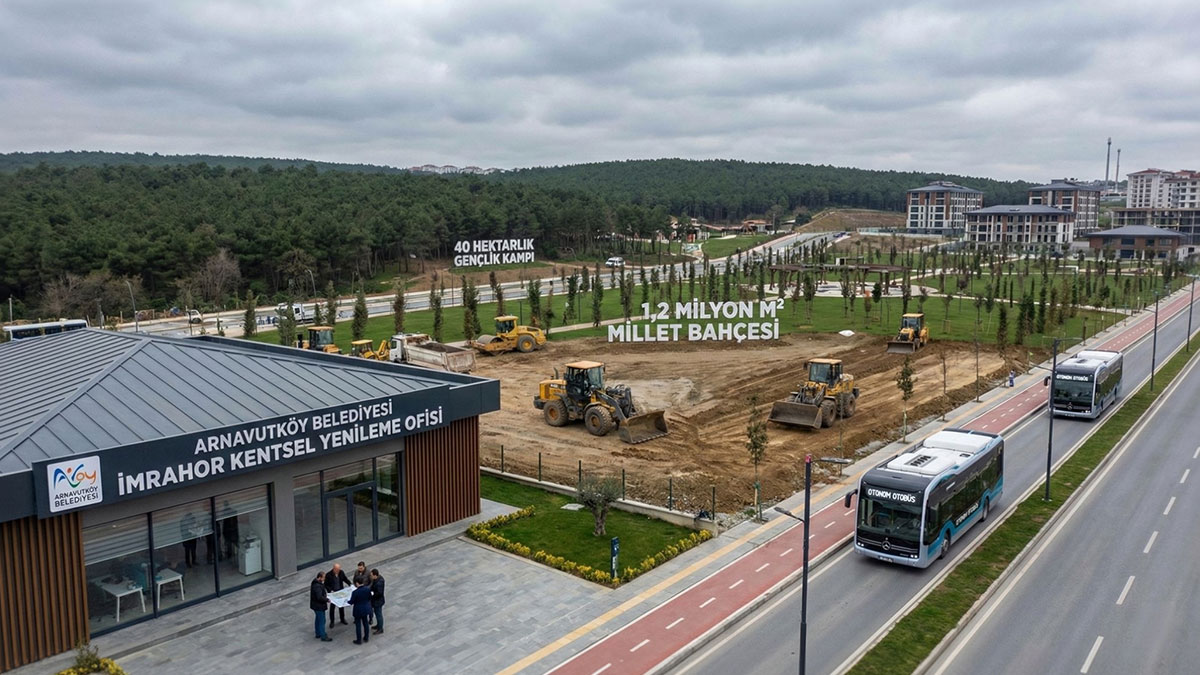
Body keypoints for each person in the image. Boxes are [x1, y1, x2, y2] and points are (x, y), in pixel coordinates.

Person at [310, 572, 332, 641]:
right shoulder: (317, 586)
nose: (324, 579)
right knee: (322, 620)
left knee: (318, 619)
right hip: (319, 606)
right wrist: (327, 599)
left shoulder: (316, 583)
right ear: (320, 577)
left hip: (316, 605)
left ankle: (318, 633)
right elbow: (319, 597)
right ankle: (323, 636)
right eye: (324, 577)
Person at [350, 578, 373, 645]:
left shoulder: (355, 592)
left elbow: (351, 601)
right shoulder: (367, 589)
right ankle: (366, 637)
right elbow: (369, 597)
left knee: (358, 625)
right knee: (365, 623)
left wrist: (347, 601)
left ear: (357, 583)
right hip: (366, 608)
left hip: (358, 610)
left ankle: (359, 640)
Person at [369, 569, 385, 635]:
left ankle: (380, 628)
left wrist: (372, 594)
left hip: (378, 601)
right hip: (376, 601)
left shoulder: (379, 582)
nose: (371, 576)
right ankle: (378, 625)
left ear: (375, 575)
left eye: (371, 575)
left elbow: (379, 593)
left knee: (378, 614)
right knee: (377, 613)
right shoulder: (377, 579)